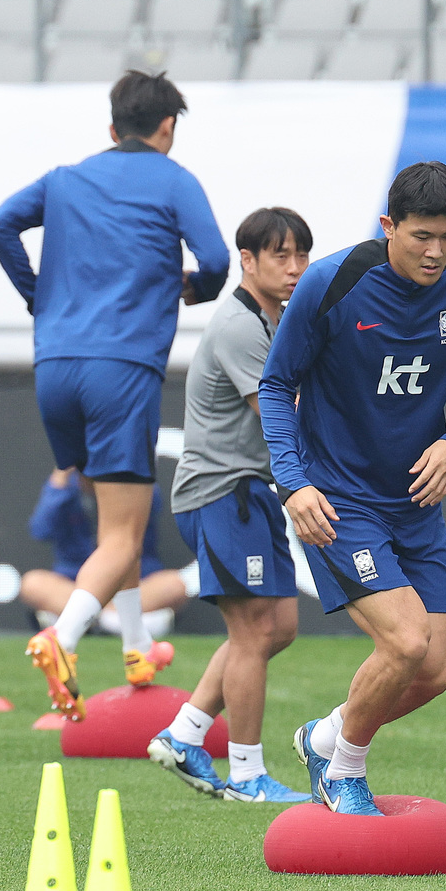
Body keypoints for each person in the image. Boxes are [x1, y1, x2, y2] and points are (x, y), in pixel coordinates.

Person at [0, 70, 229, 721]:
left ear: (112, 126)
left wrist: (38, 296)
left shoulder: (66, 177)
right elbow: (214, 258)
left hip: (56, 365)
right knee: (124, 529)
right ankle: (61, 639)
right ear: (168, 128)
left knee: (111, 518)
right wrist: (189, 289)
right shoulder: (174, 180)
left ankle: (136, 646)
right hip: (120, 367)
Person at [261, 165, 446, 816]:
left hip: (416, 504)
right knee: (404, 640)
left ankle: (324, 734)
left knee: (434, 670)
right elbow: (278, 386)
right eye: (421, 235)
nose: (435, 251)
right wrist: (294, 482)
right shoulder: (331, 283)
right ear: (389, 226)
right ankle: (344, 771)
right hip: (338, 499)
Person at [149, 207, 314, 804]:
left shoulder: (274, 318)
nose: (295, 269)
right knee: (253, 632)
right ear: (247, 262)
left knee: (277, 628)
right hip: (223, 492)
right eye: (280, 256)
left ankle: (185, 734)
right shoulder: (243, 326)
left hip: (246, 492)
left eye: (301, 256)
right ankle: (247, 776)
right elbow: (277, 418)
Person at [14, 468, 185, 637]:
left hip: (130, 584)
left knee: (174, 585)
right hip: (75, 584)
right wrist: (61, 475)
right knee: (32, 584)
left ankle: (82, 621)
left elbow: (153, 503)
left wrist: (122, 480)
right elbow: (40, 530)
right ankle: (120, 622)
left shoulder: (130, 483)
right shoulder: (66, 487)